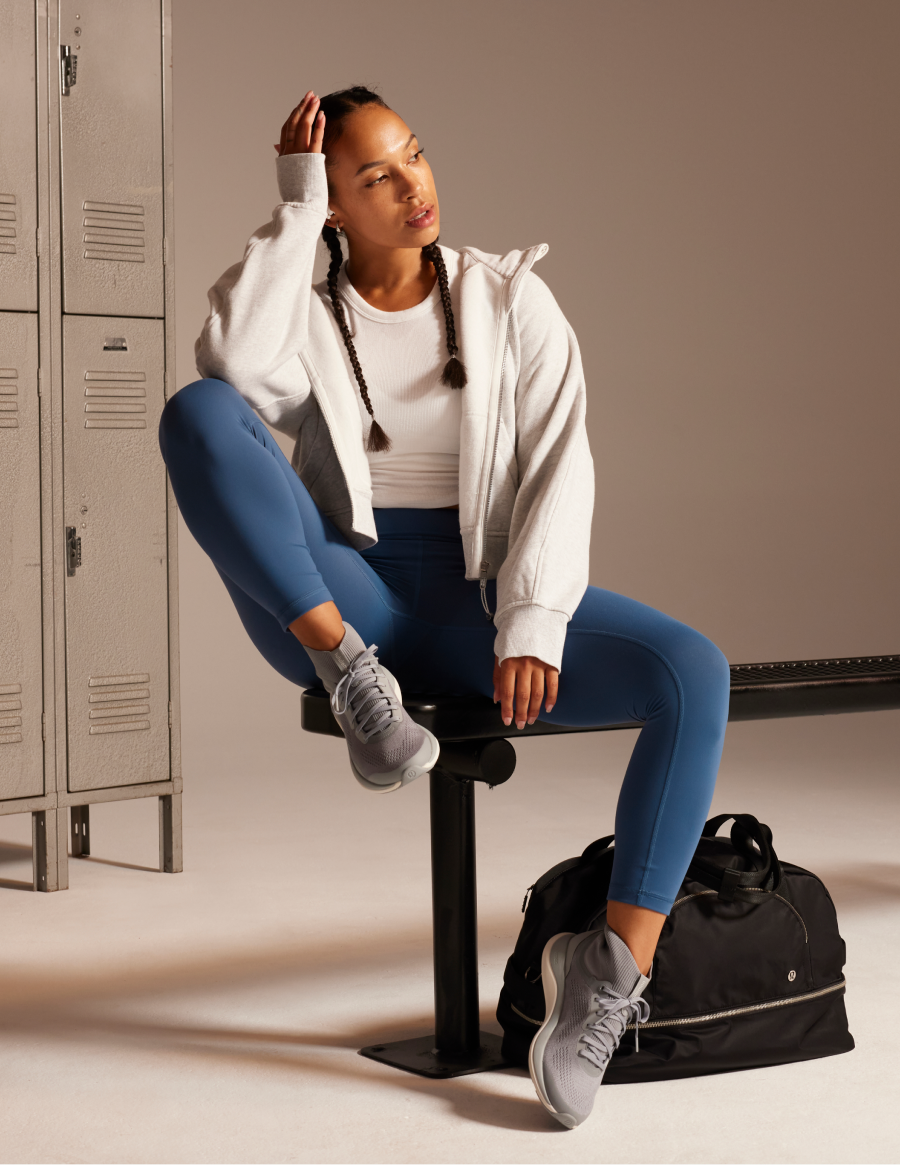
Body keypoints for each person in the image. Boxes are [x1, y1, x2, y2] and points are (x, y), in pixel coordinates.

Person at [159, 86, 731, 1129]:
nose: (412, 184)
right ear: (335, 203)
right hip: (343, 593)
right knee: (195, 412)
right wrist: (291, 206)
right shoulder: (305, 315)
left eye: (414, 156)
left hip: (477, 597)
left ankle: (606, 971)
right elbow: (234, 367)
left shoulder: (514, 301)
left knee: (693, 671)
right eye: (374, 174)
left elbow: (563, 467)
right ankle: (350, 674)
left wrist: (531, 621)